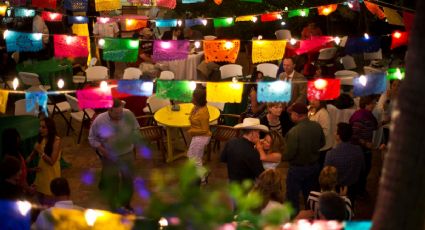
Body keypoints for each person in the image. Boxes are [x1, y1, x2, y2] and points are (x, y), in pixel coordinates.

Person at [88, 98, 142, 211]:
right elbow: (92, 138)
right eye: (117, 113)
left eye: (121, 111)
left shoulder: (128, 114)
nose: (120, 115)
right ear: (109, 110)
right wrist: (103, 151)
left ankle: (126, 203)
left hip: (127, 153)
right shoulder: (99, 120)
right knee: (113, 183)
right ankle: (113, 207)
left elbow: (136, 128)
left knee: (128, 180)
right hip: (109, 156)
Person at [283, 103, 325, 213]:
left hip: (297, 169)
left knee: (292, 197)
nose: (290, 115)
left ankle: (295, 220)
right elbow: (322, 143)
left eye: (291, 113)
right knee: (310, 195)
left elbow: (289, 154)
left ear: (297, 115)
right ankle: (310, 218)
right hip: (314, 167)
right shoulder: (317, 126)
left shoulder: (294, 132)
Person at [325, 123, 364, 204]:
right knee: (350, 205)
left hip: (337, 188)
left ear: (338, 136)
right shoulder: (358, 150)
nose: (334, 132)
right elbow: (362, 169)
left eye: (336, 131)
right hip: (353, 185)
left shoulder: (331, 154)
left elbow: (327, 175)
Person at [220, 118, 268, 183]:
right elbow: (261, 175)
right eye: (258, 132)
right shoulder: (253, 152)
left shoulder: (231, 141)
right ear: (253, 133)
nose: (259, 135)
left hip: (231, 182)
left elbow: (223, 159)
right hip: (246, 187)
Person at [27, 118, 62, 205]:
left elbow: (52, 162)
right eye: (40, 127)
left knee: (49, 203)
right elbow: (32, 154)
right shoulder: (41, 138)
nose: (40, 129)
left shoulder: (56, 141)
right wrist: (25, 162)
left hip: (51, 174)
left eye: (43, 127)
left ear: (50, 128)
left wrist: (40, 152)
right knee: (40, 200)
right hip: (41, 172)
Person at [349, 95, 378, 196]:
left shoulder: (367, 114)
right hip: (360, 149)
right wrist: (366, 143)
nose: (374, 105)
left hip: (365, 149)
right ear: (366, 104)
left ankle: (361, 190)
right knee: (362, 171)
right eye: (373, 103)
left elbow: (374, 126)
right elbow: (354, 134)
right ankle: (359, 192)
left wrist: (386, 121)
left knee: (365, 169)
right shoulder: (360, 117)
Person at [187, 87, 211, 185]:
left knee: (194, 159)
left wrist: (192, 131)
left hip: (202, 137)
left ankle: (202, 179)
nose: (191, 98)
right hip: (197, 136)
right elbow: (191, 118)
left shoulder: (203, 113)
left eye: (193, 96)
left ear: (197, 99)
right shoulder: (196, 107)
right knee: (192, 156)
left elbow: (205, 130)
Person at [93, 12, 120, 78]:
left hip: (111, 44)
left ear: (108, 13)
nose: (104, 14)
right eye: (102, 12)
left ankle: (112, 76)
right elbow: (95, 34)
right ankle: (105, 75)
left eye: (106, 12)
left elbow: (117, 32)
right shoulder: (97, 23)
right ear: (100, 13)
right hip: (101, 44)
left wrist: (114, 40)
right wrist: (98, 37)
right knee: (103, 61)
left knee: (111, 61)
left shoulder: (113, 22)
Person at [308, 99, 332, 169]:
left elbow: (325, 131)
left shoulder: (323, 113)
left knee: (318, 168)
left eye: (315, 100)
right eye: (311, 98)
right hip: (313, 146)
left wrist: (314, 139)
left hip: (322, 148)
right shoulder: (310, 109)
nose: (312, 101)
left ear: (321, 101)